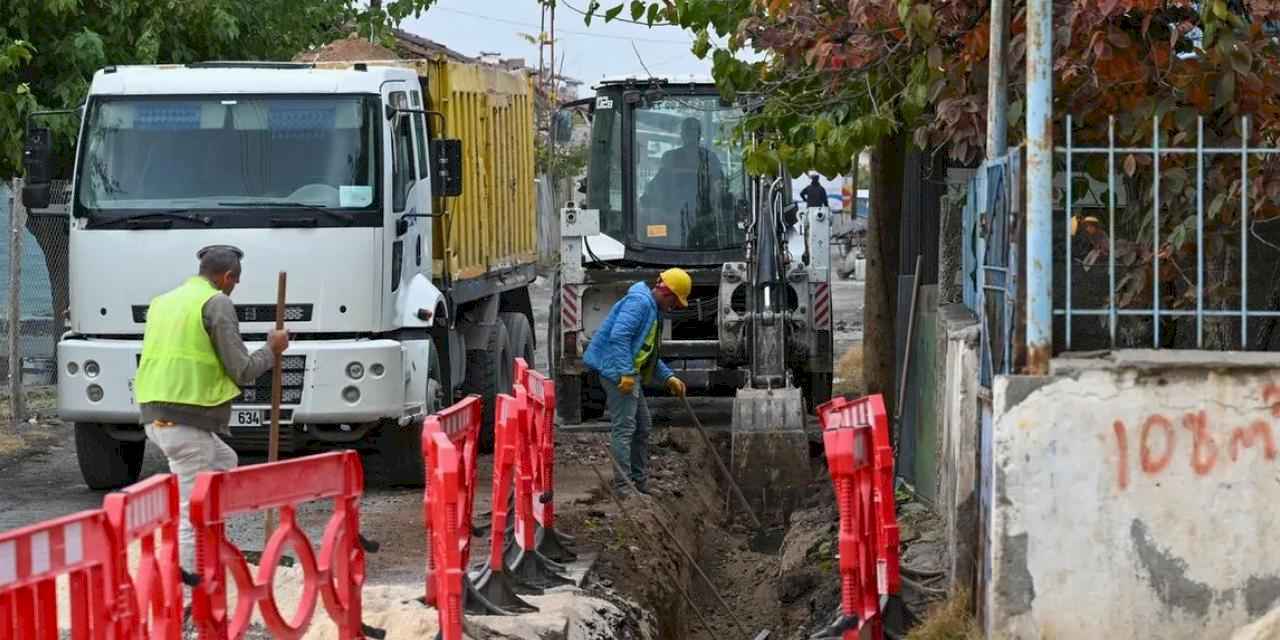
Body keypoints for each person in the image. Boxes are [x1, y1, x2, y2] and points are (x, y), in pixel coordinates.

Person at [133, 245, 288, 572]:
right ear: (227, 276)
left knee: (225, 461)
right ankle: (189, 589)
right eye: (236, 280)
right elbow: (243, 369)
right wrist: (272, 349)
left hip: (154, 414)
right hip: (186, 422)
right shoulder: (216, 303)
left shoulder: (164, 301)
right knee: (194, 512)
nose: (236, 287)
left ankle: (210, 554)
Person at [583, 268, 690, 496]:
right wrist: (626, 373)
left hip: (628, 373)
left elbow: (648, 353)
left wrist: (669, 377)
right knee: (625, 428)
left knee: (643, 426)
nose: (674, 308)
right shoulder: (639, 304)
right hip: (616, 373)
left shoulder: (653, 311)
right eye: (675, 302)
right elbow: (619, 337)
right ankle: (624, 487)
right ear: (668, 294)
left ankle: (639, 482)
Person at [640, 117, 727, 246]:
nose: (690, 134)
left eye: (693, 130)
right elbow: (657, 185)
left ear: (699, 134)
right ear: (682, 134)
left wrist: (715, 211)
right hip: (674, 219)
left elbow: (720, 188)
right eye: (687, 130)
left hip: (704, 220)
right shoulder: (670, 158)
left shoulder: (710, 159)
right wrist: (646, 198)